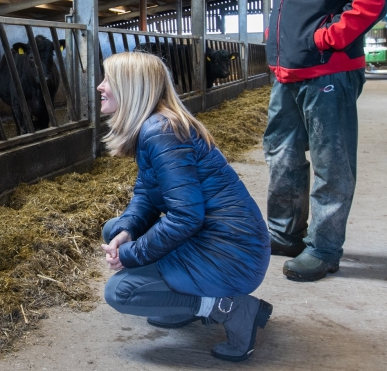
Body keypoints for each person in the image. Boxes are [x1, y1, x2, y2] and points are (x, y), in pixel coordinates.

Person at [264, 0, 387, 281]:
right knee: (281, 155)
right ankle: (284, 233)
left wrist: (324, 38)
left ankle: (324, 246)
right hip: (287, 71)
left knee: (331, 162)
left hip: (328, 71)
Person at [99, 52, 271, 362]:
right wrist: (127, 231)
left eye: (108, 80)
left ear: (131, 87)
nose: (101, 86)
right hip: (220, 240)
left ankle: (230, 308)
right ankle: (188, 298)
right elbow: (147, 195)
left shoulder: (160, 132)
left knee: (122, 292)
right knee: (114, 227)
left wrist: (130, 255)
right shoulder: (154, 126)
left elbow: (186, 217)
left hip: (232, 254)